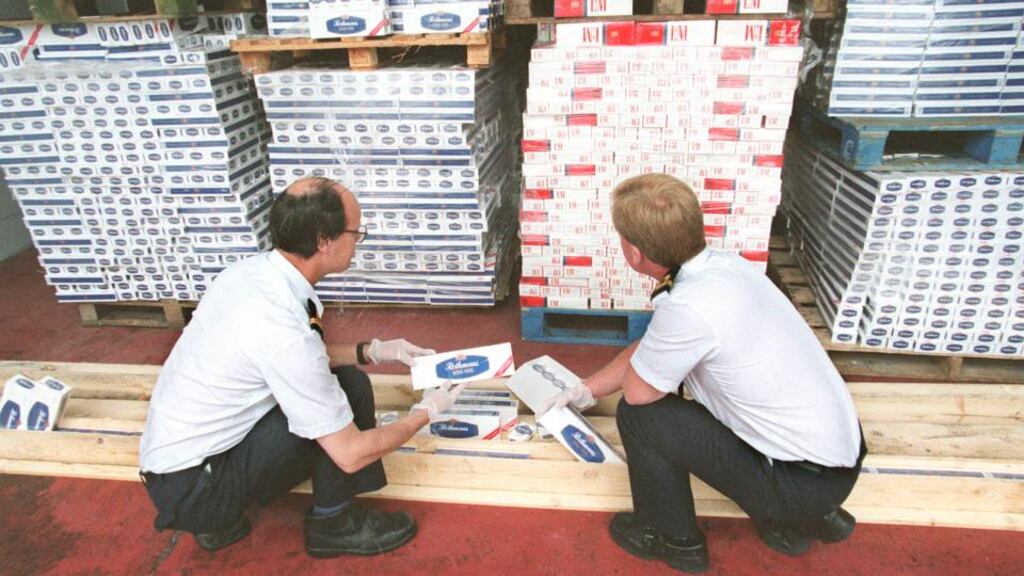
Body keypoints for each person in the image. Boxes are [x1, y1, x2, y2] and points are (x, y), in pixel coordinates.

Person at [542, 173, 866, 573]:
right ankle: (806, 520)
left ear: (634, 252)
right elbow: (658, 346)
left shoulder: (688, 305)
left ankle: (672, 539)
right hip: (838, 464)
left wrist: (596, 393)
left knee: (641, 416)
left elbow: (642, 391)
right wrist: (585, 389)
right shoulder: (724, 267)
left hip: (799, 484)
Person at [139, 176, 465, 558]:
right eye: (356, 233)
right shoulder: (282, 327)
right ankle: (333, 524)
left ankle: (217, 523)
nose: (357, 242)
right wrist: (424, 413)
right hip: (199, 492)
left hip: (174, 473)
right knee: (349, 390)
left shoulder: (251, 275)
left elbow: (296, 357)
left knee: (338, 383)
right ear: (324, 240)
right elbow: (351, 452)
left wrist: (373, 350)